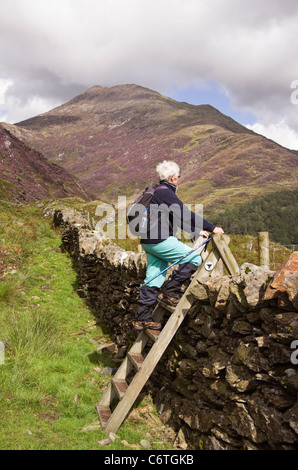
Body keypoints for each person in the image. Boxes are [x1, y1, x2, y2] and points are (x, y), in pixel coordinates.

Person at [133, 160, 224, 331]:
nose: (179, 180)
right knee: (194, 258)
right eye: (179, 177)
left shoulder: (155, 192)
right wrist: (212, 227)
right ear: (173, 177)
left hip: (147, 242)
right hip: (160, 240)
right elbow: (185, 213)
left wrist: (197, 231)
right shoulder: (165, 193)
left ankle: (142, 317)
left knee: (153, 277)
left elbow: (176, 219)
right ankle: (170, 292)